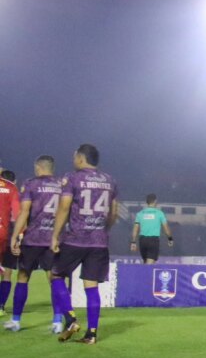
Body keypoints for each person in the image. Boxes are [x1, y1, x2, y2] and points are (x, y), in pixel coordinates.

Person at [51, 144, 120, 344]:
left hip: (75, 238)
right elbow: (113, 213)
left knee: (56, 275)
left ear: (81, 158)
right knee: (91, 287)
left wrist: (55, 235)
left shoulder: (73, 178)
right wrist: (103, 230)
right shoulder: (110, 180)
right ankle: (91, 334)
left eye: (75, 156)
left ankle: (71, 319)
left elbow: (64, 207)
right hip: (98, 242)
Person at [6, 157, 63, 333]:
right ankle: (57, 322)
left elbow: (24, 212)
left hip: (32, 239)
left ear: (38, 167)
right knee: (54, 279)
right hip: (53, 239)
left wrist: (15, 236)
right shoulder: (62, 185)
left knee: (23, 277)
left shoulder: (31, 184)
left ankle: (16, 321)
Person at [0, 170, 21, 321]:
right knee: (7, 273)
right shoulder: (12, 189)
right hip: (9, 235)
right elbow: (18, 215)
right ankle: (0, 306)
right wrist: (20, 237)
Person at [130, 194, 174, 263]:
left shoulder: (140, 214)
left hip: (142, 241)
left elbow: (135, 229)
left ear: (146, 202)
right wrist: (170, 238)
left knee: (146, 262)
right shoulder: (159, 213)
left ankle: (144, 273)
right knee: (149, 266)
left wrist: (133, 242)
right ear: (155, 201)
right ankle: (145, 273)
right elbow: (166, 228)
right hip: (153, 240)